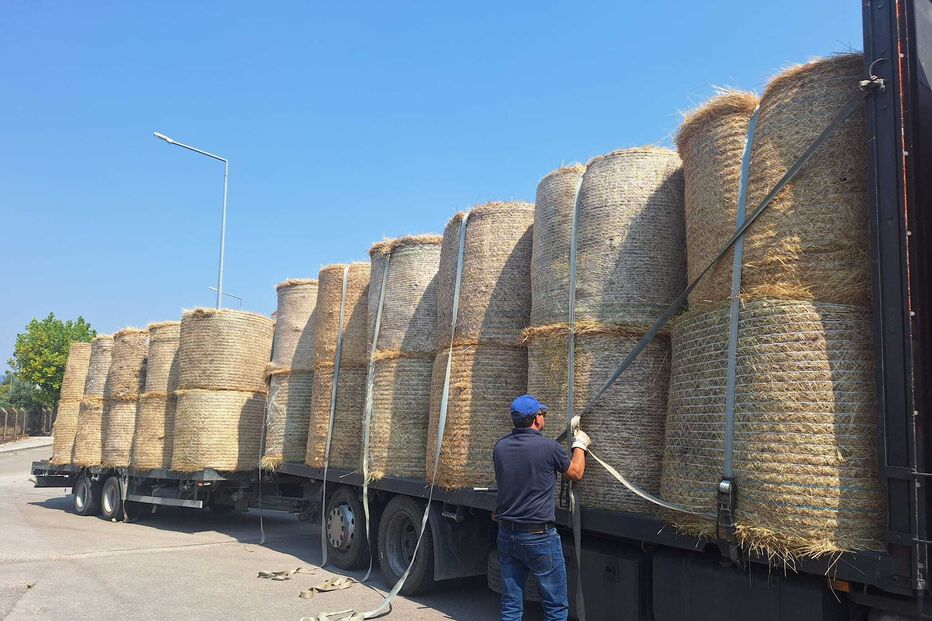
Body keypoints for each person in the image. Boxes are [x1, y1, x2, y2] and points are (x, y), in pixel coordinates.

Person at [492, 394, 590, 621]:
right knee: (555, 607)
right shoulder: (549, 447)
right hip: (538, 536)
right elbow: (575, 473)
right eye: (542, 414)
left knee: (511, 606)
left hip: (507, 535)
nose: (543, 417)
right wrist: (580, 446)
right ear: (536, 420)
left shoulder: (500, 447)